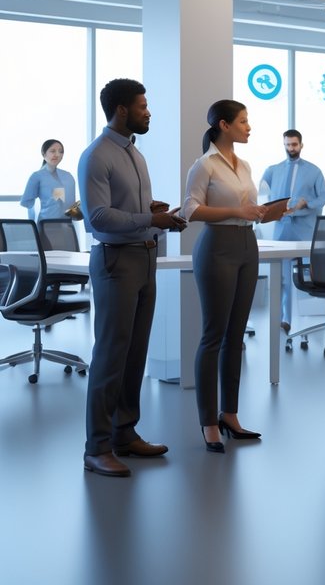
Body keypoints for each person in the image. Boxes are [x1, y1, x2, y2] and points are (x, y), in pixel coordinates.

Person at [78, 78, 187, 477]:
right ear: (122, 110)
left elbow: (128, 209)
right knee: (110, 355)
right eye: (143, 106)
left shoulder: (135, 155)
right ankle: (97, 447)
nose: (148, 111)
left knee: (135, 352)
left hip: (144, 257)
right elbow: (98, 217)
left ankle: (124, 432)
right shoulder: (97, 156)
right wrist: (149, 218)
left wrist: (154, 213)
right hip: (115, 261)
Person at [181, 100, 266, 453]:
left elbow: (245, 208)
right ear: (223, 125)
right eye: (243, 122)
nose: (249, 127)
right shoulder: (204, 165)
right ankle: (209, 422)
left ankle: (230, 414)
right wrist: (236, 210)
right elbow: (190, 209)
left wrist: (262, 212)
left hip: (248, 244)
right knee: (214, 335)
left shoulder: (243, 164)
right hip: (217, 247)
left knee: (236, 336)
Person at [260, 129, 325, 333]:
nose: (291, 148)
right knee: (282, 278)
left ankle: (312, 322)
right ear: (283, 145)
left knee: (309, 275)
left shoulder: (314, 171)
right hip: (282, 230)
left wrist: (305, 203)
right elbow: (263, 196)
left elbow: (324, 197)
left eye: (294, 144)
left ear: (301, 145)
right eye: (288, 144)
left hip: (304, 231)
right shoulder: (273, 170)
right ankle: (285, 318)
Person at [21, 139, 77, 221]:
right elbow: (28, 204)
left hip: (67, 225)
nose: (57, 154)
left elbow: (65, 203)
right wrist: (32, 227)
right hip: (46, 224)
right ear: (44, 154)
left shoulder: (67, 176)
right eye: (52, 151)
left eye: (60, 151)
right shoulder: (37, 176)